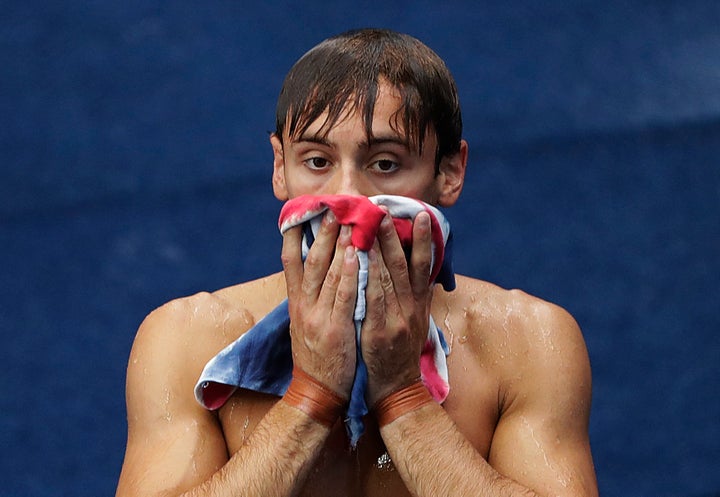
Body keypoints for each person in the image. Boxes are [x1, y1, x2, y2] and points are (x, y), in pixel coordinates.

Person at [116, 28, 598, 497]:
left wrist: (404, 397)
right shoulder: (187, 338)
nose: (347, 196)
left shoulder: (527, 340)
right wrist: (311, 395)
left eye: (385, 164)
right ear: (280, 168)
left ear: (449, 173)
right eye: (318, 162)